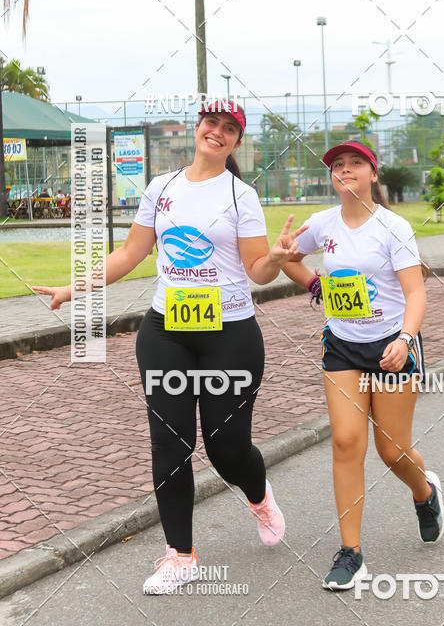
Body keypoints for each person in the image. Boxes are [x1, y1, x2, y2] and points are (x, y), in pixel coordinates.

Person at [33, 101, 307, 595]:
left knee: (227, 448)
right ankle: (180, 556)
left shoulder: (241, 196)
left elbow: (257, 271)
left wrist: (277, 258)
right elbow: (130, 253)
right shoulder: (161, 188)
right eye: (211, 123)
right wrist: (73, 289)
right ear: (199, 128)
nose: (217, 133)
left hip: (230, 334)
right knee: (170, 443)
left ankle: (259, 495)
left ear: (237, 142)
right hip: (166, 331)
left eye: (229, 129)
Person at [282, 141, 444, 591]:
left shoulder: (393, 227)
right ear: (332, 176)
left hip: (391, 345)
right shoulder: (322, 224)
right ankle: (351, 553)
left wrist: (404, 339)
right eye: (338, 165)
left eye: (356, 163)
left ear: (373, 174)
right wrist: (314, 282)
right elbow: (289, 260)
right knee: (346, 442)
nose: (346, 170)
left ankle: (424, 493)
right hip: (342, 346)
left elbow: (416, 293)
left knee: (392, 451)